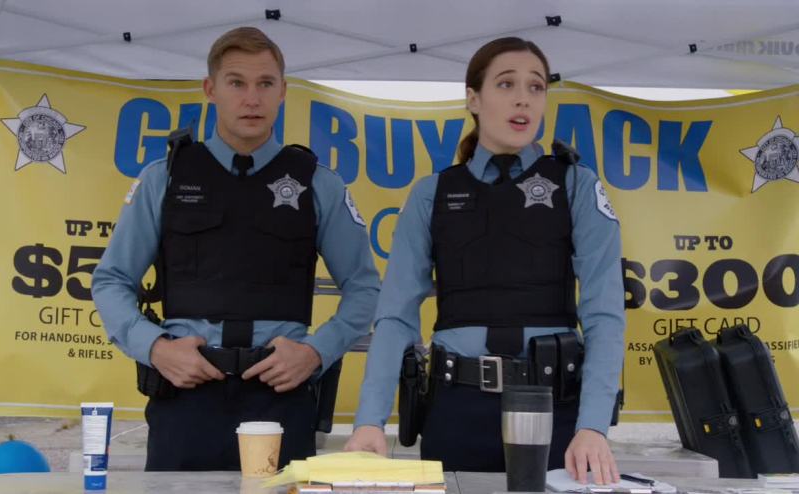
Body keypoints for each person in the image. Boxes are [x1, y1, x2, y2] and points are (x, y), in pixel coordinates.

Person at [92, 26, 380, 471]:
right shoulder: (164, 178)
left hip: (280, 396)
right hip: (185, 395)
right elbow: (111, 280)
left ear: (283, 92)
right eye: (236, 83)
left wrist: (315, 353)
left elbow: (364, 287)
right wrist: (156, 349)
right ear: (211, 89)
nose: (252, 99)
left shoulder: (317, 183)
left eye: (265, 84)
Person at [344, 37, 625, 484]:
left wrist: (592, 426)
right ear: (473, 99)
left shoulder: (576, 184)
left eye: (536, 87)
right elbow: (395, 316)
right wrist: (369, 422)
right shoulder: (432, 194)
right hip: (456, 409)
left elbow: (604, 314)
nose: (523, 98)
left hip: (552, 412)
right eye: (506, 84)